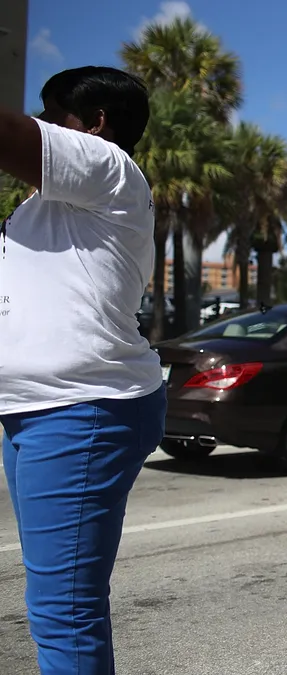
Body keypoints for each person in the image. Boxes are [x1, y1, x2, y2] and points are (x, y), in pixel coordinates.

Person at [0, 66, 166, 674]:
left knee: (62, 613)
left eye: (49, 111)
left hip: (79, 408)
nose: (38, 122)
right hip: (35, 409)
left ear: (95, 124)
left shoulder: (109, 167)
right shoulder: (42, 211)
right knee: (56, 604)